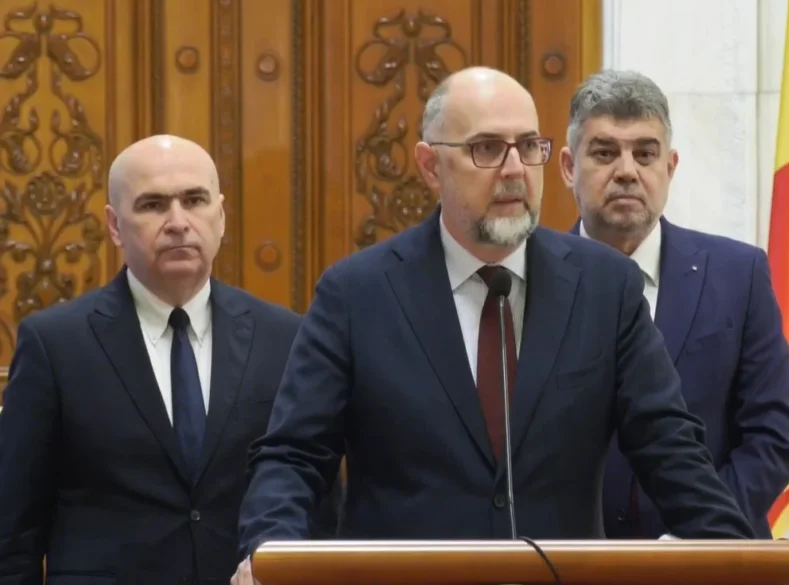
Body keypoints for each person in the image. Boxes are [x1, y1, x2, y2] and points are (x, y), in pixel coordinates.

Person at [231, 65, 753, 585]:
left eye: (528, 147)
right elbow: (295, 456)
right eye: (486, 149)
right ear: (431, 166)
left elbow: (669, 446)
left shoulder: (605, 287)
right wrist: (266, 554)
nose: (514, 170)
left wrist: (735, 553)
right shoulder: (356, 293)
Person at [0, 135, 334, 584]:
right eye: (153, 205)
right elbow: (14, 529)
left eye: (194, 200)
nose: (178, 222)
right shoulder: (55, 344)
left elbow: (319, 502)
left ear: (220, 216)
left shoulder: (285, 337)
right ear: (115, 226)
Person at [559, 70, 789, 539]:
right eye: (604, 153)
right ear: (569, 167)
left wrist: (699, 538)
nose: (626, 171)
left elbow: (770, 436)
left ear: (670, 167)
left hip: (711, 557)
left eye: (645, 154)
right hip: (567, 559)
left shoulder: (739, 274)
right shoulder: (531, 278)